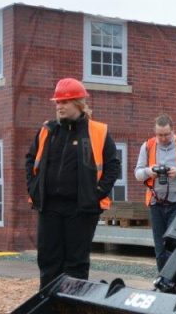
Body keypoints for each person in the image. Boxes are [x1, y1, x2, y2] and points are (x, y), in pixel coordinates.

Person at [25, 78, 120, 290]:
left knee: (76, 263)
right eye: (57, 102)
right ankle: (49, 307)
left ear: (78, 103)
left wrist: (95, 194)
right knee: (49, 261)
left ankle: (73, 307)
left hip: (81, 208)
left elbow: (113, 167)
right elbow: (31, 160)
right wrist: (33, 188)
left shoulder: (98, 131)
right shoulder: (47, 130)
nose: (59, 106)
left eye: (64, 102)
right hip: (49, 207)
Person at [134, 114, 176, 270]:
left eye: (166, 134)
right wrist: (149, 171)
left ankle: (172, 279)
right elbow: (138, 174)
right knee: (160, 248)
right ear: (155, 132)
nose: (163, 138)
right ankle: (163, 286)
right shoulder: (147, 146)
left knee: (173, 245)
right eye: (160, 135)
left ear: (173, 131)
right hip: (155, 203)